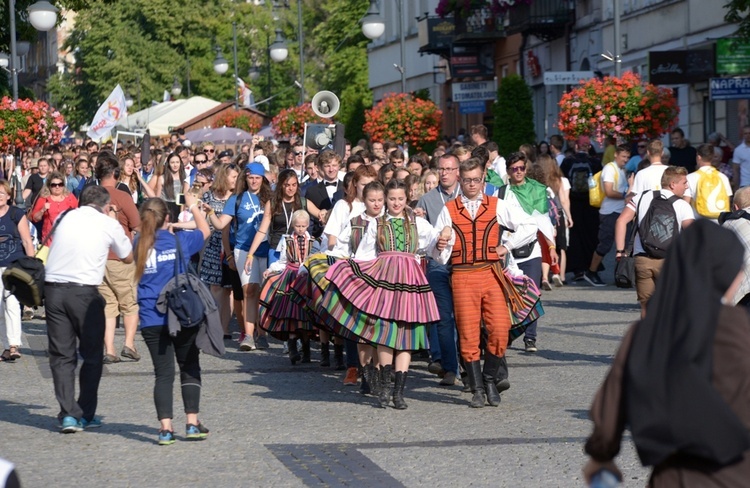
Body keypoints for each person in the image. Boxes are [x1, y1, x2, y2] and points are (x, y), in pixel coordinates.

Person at [584, 221, 750, 486]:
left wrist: (600, 458)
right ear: (729, 274)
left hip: (673, 476)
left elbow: (610, 408)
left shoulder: (647, 331)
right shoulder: (741, 329)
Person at [322, 179, 450, 410]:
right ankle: (384, 387)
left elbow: (434, 243)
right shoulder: (377, 224)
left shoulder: (417, 223)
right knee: (385, 332)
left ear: (407, 198)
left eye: (401, 199)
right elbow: (364, 255)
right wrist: (352, 272)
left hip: (410, 280)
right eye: (392, 199)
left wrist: (442, 239)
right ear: (386, 200)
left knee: (407, 335)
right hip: (385, 278)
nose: (396, 203)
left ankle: (399, 392)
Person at [435, 157, 536, 407]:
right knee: (468, 334)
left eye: (476, 179)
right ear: (460, 179)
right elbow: (437, 254)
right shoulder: (448, 209)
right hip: (462, 275)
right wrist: (441, 244)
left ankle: (490, 379)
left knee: (500, 329)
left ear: (483, 180)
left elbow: (530, 226)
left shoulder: (497, 204)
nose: (472, 184)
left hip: (491, 273)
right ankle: (478, 387)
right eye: (467, 180)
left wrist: (507, 246)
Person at [45, 185, 133, 433]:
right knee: (92, 355)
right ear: (106, 206)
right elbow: (127, 256)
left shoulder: (65, 216)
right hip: (84, 292)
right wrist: (115, 221)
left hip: (53, 289)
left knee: (62, 356)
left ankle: (68, 415)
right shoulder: (108, 222)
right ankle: (84, 413)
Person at [134, 196, 212, 445]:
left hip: (149, 317)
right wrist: (192, 206)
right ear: (167, 217)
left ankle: (165, 429)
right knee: (189, 366)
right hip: (181, 314)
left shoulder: (138, 243)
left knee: (163, 373)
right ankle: (191, 423)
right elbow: (205, 230)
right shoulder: (180, 240)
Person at [614, 166, 694, 318]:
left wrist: (620, 250)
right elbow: (692, 235)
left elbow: (621, 221)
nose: (687, 186)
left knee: (646, 306)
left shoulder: (641, 198)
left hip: (642, 258)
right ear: (672, 184)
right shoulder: (682, 205)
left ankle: (647, 338)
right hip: (669, 261)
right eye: (684, 182)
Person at [208, 162, 271, 351]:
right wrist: (209, 212)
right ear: (246, 178)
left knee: (264, 293)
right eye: (250, 177)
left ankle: (263, 332)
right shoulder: (236, 199)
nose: (253, 181)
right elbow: (220, 225)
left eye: (257, 178)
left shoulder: (270, 198)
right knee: (249, 292)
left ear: (263, 179)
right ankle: (249, 336)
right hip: (243, 249)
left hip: (267, 250)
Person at [498, 152, 557, 352]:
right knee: (510, 296)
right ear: (508, 172)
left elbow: (543, 220)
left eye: (522, 168)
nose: (518, 172)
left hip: (532, 249)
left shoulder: (537, 190)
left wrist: (551, 246)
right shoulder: (501, 192)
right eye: (514, 169)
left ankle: (530, 337)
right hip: (508, 248)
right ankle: (510, 332)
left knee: (532, 293)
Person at [414, 154, 462, 386]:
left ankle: (468, 365)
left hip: (464, 263)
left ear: (458, 171)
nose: (444, 173)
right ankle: (449, 367)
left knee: (464, 317)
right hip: (438, 264)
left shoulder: (467, 195)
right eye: (441, 169)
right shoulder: (427, 200)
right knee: (443, 317)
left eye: (449, 169)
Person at [259, 210, 316, 364]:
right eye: (297, 225)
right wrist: (270, 269)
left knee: (306, 316)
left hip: (306, 278)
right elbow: (282, 261)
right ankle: (292, 349)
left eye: (303, 226)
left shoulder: (313, 241)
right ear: (292, 225)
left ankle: (306, 350)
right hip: (290, 278)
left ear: (308, 225)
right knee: (290, 315)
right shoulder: (287, 240)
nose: (300, 228)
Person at [197, 164, 240, 338]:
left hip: (230, 246)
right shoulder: (208, 195)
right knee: (215, 288)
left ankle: (224, 328)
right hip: (213, 245)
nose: (236, 180)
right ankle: (213, 326)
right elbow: (200, 220)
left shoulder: (238, 197)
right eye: (233, 177)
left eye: (238, 177)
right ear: (224, 176)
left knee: (229, 289)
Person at [583, 145, 631, 286]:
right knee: (605, 245)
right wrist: (626, 195)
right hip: (609, 212)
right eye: (623, 157)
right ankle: (591, 272)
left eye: (627, 157)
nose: (626, 160)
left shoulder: (623, 170)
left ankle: (621, 275)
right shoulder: (610, 169)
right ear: (616, 155)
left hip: (621, 211)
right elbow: (609, 191)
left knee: (625, 244)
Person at [0, 180, 34, 362]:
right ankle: (6, 347)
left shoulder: (16, 213)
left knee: (12, 304)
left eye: (2, 193)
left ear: (8, 196)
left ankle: (14, 345)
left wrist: (33, 266)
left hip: (14, 266)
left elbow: (27, 241)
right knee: (0, 309)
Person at [560, 136, 602, 282]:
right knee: (591, 235)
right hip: (591, 204)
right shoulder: (595, 162)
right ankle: (591, 267)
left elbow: (562, 180)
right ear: (589, 147)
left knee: (575, 236)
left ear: (576, 146)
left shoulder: (568, 161)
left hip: (573, 203)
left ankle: (578, 269)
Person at [684, 144, 732, 223]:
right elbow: (727, 199)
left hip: (699, 224)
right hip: (719, 223)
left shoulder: (690, 178)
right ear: (712, 157)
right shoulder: (723, 177)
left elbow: (686, 203)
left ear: (698, 157)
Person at [29, 171, 78, 243]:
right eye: (54, 185)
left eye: (60, 184)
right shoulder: (44, 198)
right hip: (49, 239)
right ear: (49, 186)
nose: (57, 187)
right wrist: (42, 210)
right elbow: (35, 218)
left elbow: (78, 215)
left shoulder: (70, 197)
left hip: (67, 237)